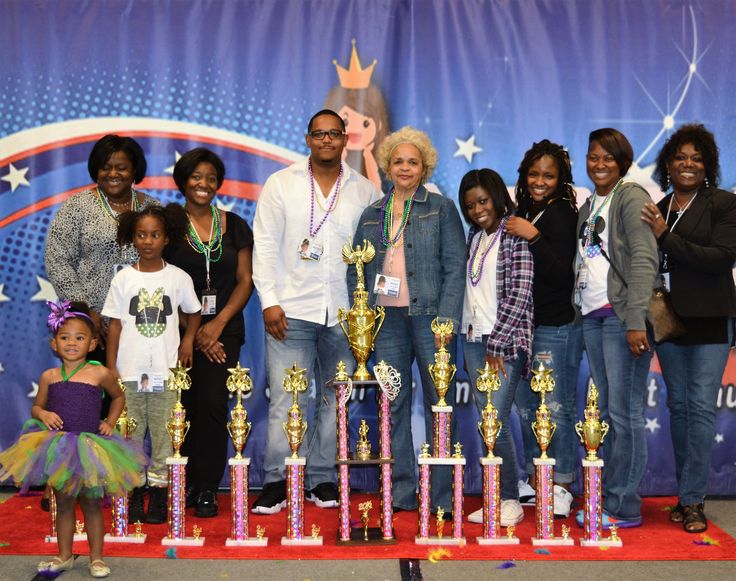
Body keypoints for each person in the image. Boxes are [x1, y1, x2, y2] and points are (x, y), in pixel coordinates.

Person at [252, 109, 381, 513]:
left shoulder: (365, 191)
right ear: (307, 139)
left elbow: (375, 255)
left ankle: (322, 478)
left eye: (334, 134)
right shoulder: (281, 184)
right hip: (291, 309)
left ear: (346, 140)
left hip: (345, 314)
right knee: (288, 400)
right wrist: (269, 301)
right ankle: (278, 479)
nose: (327, 140)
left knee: (335, 399)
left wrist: (369, 310)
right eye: (319, 134)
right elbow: (266, 246)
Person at [349, 126, 466, 514]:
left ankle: (441, 498)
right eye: (397, 161)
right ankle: (398, 494)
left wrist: (446, 321)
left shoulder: (441, 208)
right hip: (385, 325)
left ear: (424, 167)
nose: (404, 167)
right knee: (392, 405)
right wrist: (361, 316)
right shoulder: (372, 213)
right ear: (386, 166)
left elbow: (454, 268)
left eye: (412, 161)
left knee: (440, 405)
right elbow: (357, 272)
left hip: (431, 319)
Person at [0, 300, 146, 578]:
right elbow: (36, 406)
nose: (71, 343)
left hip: (90, 446)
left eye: (79, 338)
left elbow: (118, 396)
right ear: (54, 343)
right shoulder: (49, 376)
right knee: (64, 503)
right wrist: (43, 413)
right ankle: (64, 555)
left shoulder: (100, 373)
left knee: (92, 503)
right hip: (60, 447)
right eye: (65, 337)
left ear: (92, 343)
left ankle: (97, 558)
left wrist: (110, 421)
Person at [640, 124, 736, 533]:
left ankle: (694, 500)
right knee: (678, 409)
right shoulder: (658, 206)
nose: (688, 164)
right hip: (669, 322)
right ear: (668, 164)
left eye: (696, 158)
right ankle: (685, 495)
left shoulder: (724, 204)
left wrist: (665, 236)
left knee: (698, 409)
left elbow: (721, 257)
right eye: (681, 157)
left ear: (708, 165)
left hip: (711, 320)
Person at [574, 128, 658, 529]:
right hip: (592, 317)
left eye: (608, 157)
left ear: (622, 160)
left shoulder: (631, 197)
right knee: (607, 414)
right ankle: (605, 498)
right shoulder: (590, 204)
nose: (600, 164)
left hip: (621, 318)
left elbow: (644, 259)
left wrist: (636, 319)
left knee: (624, 415)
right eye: (593, 157)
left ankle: (623, 506)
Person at [166, 147, 254, 518]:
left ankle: (205, 487)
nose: (203, 184)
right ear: (183, 181)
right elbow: (163, 280)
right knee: (181, 406)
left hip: (224, 331)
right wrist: (195, 329)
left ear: (219, 183)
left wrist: (215, 326)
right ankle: (177, 483)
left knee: (214, 404)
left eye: (211, 178)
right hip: (179, 330)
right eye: (196, 177)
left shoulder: (234, 224)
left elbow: (245, 280)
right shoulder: (168, 223)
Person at [103, 205, 202, 525]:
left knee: (163, 435)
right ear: (132, 238)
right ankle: (132, 492)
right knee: (130, 435)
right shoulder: (123, 278)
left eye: (155, 235)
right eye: (141, 235)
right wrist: (110, 366)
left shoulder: (177, 278)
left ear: (166, 238)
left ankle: (159, 493)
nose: (147, 241)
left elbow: (194, 311)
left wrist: (187, 341)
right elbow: (115, 324)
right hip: (129, 374)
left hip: (166, 372)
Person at [505, 140, 583, 518]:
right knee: (525, 409)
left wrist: (532, 237)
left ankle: (563, 483)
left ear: (561, 179)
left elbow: (561, 274)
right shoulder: (524, 211)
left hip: (555, 326)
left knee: (555, 407)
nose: (540, 181)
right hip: (523, 328)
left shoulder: (562, 214)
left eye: (548, 175)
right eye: (533, 174)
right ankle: (539, 478)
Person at [456, 169, 534, 527]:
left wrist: (498, 344)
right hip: (473, 338)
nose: (477, 210)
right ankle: (495, 498)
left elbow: (519, 294)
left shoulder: (514, 232)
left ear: (498, 196)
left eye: (483, 201)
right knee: (488, 423)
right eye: (470, 204)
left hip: (502, 341)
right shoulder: (475, 236)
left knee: (494, 423)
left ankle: (509, 499)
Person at [45, 134, 158, 350]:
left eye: (121, 167)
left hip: (145, 323)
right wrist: (86, 311)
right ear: (96, 170)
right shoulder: (76, 207)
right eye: (106, 167)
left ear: (135, 171)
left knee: (137, 384)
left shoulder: (152, 208)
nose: (113, 174)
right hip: (94, 328)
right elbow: (57, 260)